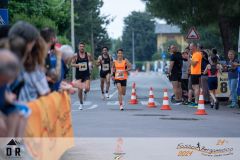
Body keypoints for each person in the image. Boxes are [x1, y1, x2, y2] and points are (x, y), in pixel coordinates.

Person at [8, 21, 50, 102]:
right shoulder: (33, 68)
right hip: (28, 112)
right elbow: (45, 95)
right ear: (31, 43)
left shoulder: (5, 62)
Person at [0, 49, 30, 137]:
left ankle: (13, 146)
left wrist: (8, 97)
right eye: (4, 80)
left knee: (18, 112)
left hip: (7, 110)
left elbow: (5, 95)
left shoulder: (4, 84)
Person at [71, 42, 93, 110]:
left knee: (87, 88)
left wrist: (91, 65)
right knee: (79, 90)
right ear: (78, 48)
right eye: (80, 46)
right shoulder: (75, 55)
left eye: (83, 46)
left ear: (84, 47)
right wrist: (77, 65)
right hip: (79, 75)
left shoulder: (88, 54)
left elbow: (91, 61)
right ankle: (81, 103)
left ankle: (85, 92)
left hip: (86, 74)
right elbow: (72, 64)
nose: (82, 47)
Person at [189, 43, 202, 107]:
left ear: (195, 47)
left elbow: (194, 64)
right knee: (194, 87)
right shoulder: (194, 54)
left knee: (196, 87)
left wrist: (189, 58)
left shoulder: (197, 54)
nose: (190, 48)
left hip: (196, 73)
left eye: (191, 47)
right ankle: (196, 102)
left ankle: (196, 102)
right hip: (194, 73)